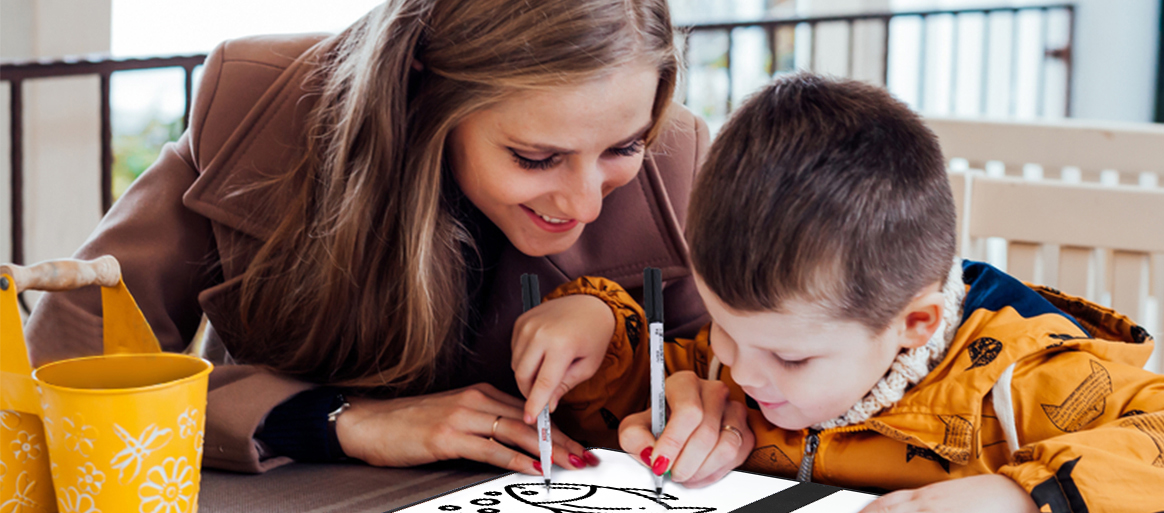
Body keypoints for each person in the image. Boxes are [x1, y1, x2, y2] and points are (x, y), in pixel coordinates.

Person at [538, 73, 1164, 513]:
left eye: (791, 358)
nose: (735, 365)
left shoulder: (1027, 384)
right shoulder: (749, 353)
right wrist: (599, 330)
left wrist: (1019, 499)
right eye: (724, 328)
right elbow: (620, 411)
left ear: (914, 325)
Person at [24, 0, 726, 475]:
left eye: (623, 148)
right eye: (535, 158)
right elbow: (63, 372)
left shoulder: (678, 161)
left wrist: (704, 399)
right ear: (426, 85)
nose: (584, 202)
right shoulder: (259, 109)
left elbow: (735, 367)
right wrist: (335, 422)